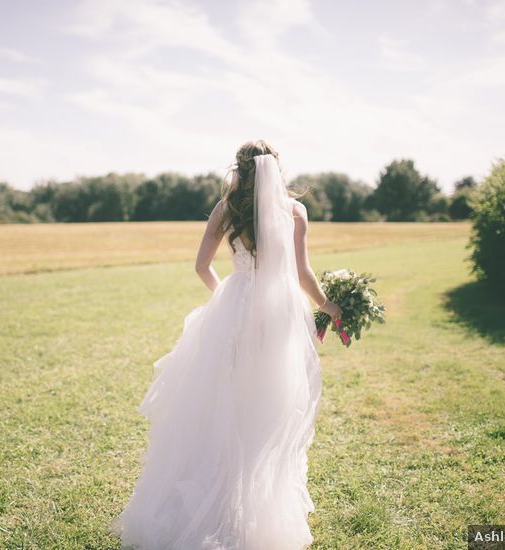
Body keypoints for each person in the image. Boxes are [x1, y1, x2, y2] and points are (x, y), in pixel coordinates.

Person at [110, 140, 342, 549]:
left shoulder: (225, 209)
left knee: (223, 407)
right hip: (278, 313)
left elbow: (202, 266)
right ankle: (257, 512)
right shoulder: (295, 211)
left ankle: (216, 502)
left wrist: (227, 299)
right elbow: (302, 273)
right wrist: (329, 305)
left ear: (240, 168)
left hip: (235, 312)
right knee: (267, 410)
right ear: (276, 168)